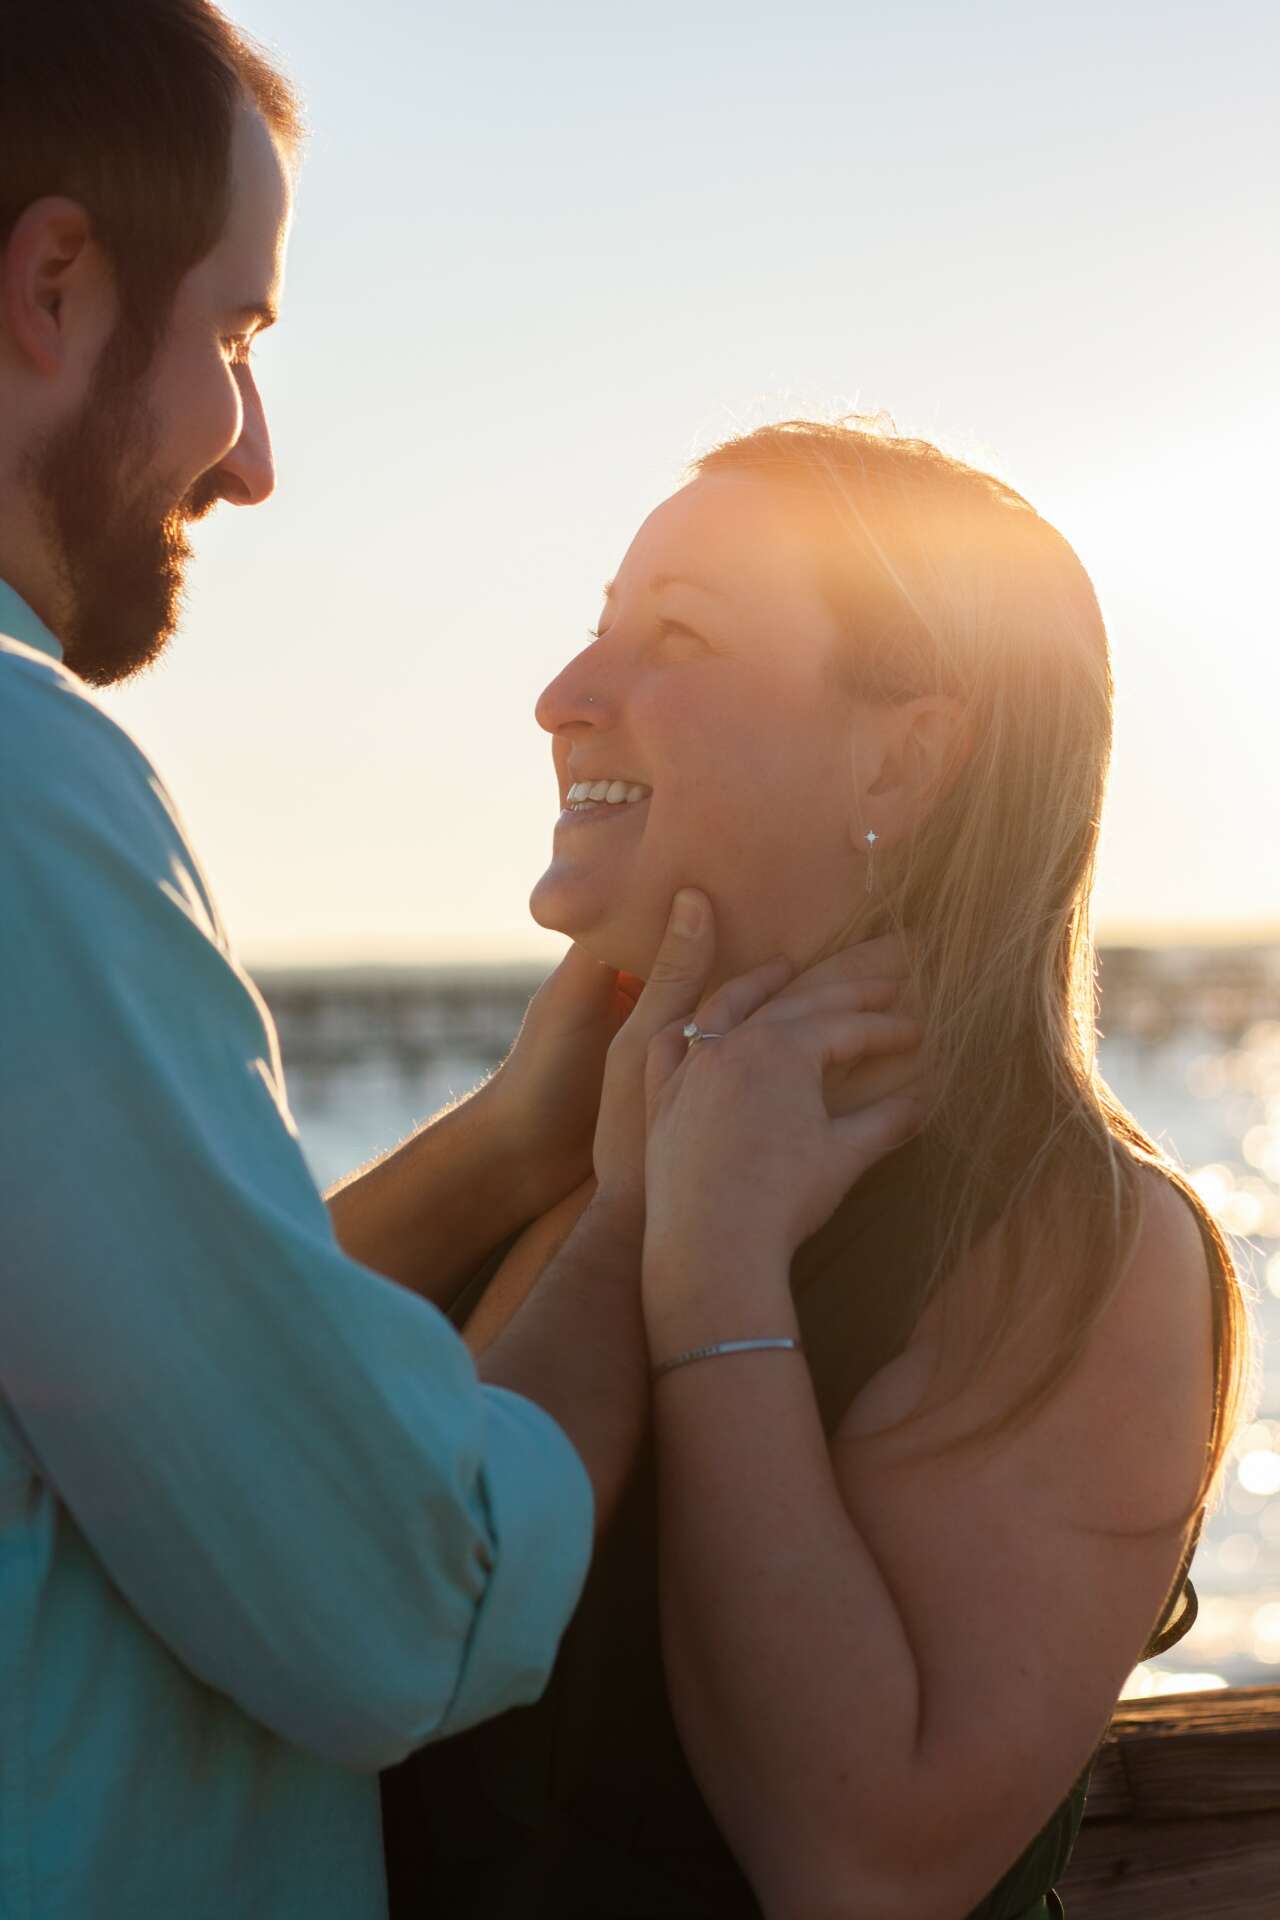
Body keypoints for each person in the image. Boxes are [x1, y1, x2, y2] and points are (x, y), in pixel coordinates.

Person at [0, 7, 920, 1915]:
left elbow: (128, 1374)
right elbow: (392, 1602)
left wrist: (511, 1154)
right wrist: (643, 1226)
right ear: (57, 287)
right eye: (241, 336)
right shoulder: (25, 790)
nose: (251, 461)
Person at [388, 420, 1254, 1918]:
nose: (563, 697)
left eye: (676, 637)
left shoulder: (1073, 1247)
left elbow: (864, 1867)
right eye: (600, 630)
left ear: (903, 756)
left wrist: (712, 1266)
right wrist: (496, 1149)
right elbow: (172, 1471)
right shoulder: (577, 1148)